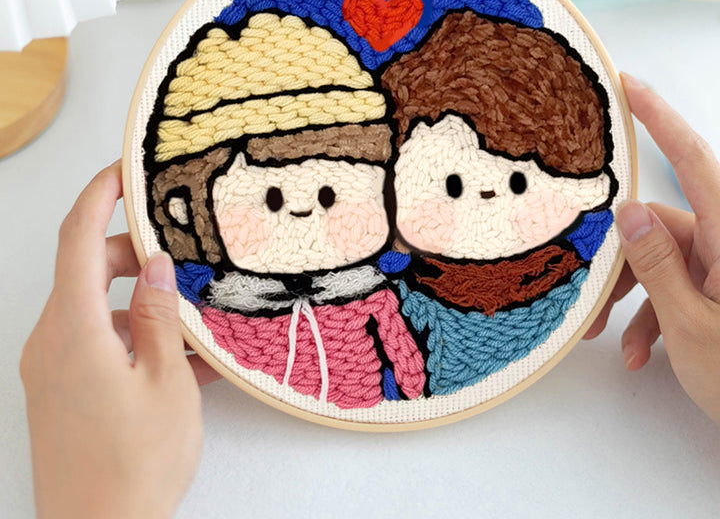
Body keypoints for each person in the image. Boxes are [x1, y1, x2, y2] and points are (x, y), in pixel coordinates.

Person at [20, 73, 720, 518]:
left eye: (330, 192)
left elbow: (403, 355)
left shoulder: (381, 295)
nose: (301, 212)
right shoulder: (245, 297)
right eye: (269, 197)